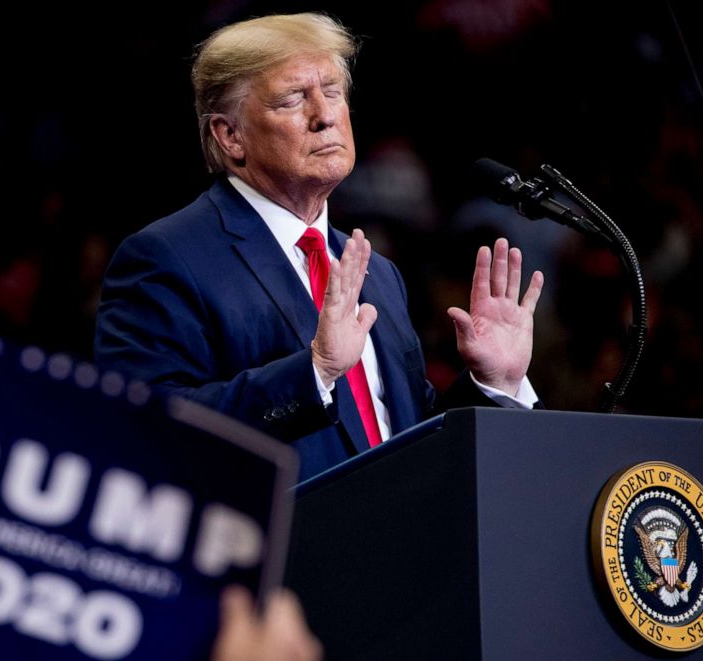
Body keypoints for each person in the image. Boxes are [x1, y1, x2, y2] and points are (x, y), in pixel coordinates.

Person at [95, 12, 543, 481]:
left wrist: (494, 383)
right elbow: (145, 428)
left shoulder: (376, 273)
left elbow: (407, 436)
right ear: (230, 136)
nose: (324, 116)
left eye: (332, 92)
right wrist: (315, 372)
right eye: (293, 99)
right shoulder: (167, 258)